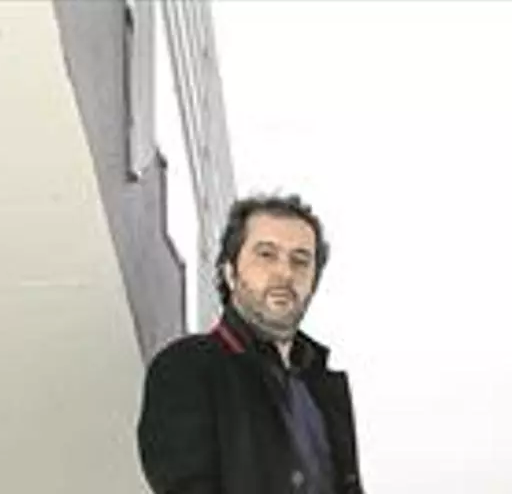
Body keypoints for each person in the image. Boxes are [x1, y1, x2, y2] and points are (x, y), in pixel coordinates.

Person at [137, 194, 364, 494]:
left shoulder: (320, 385)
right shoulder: (186, 367)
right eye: (266, 255)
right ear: (230, 272)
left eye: (300, 260)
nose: (285, 273)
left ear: (313, 282)